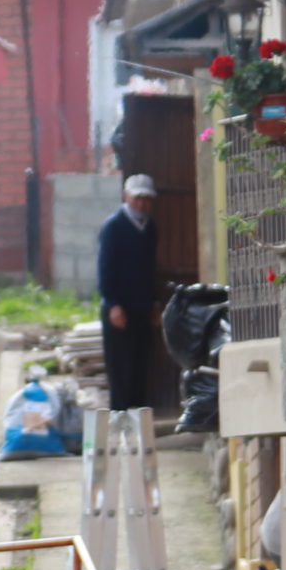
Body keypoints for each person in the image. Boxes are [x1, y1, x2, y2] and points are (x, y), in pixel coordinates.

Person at [97, 174, 162, 412]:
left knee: (139, 364)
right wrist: (113, 304)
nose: (142, 204)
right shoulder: (113, 226)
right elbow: (105, 268)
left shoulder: (150, 227)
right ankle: (119, 416)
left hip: (142, 306)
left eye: (147, 199)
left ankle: (138, 417)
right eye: (138, 198)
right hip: (119, 308)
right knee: (119, 366)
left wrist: (154, 303)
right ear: (126, 197)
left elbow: (151, 268)